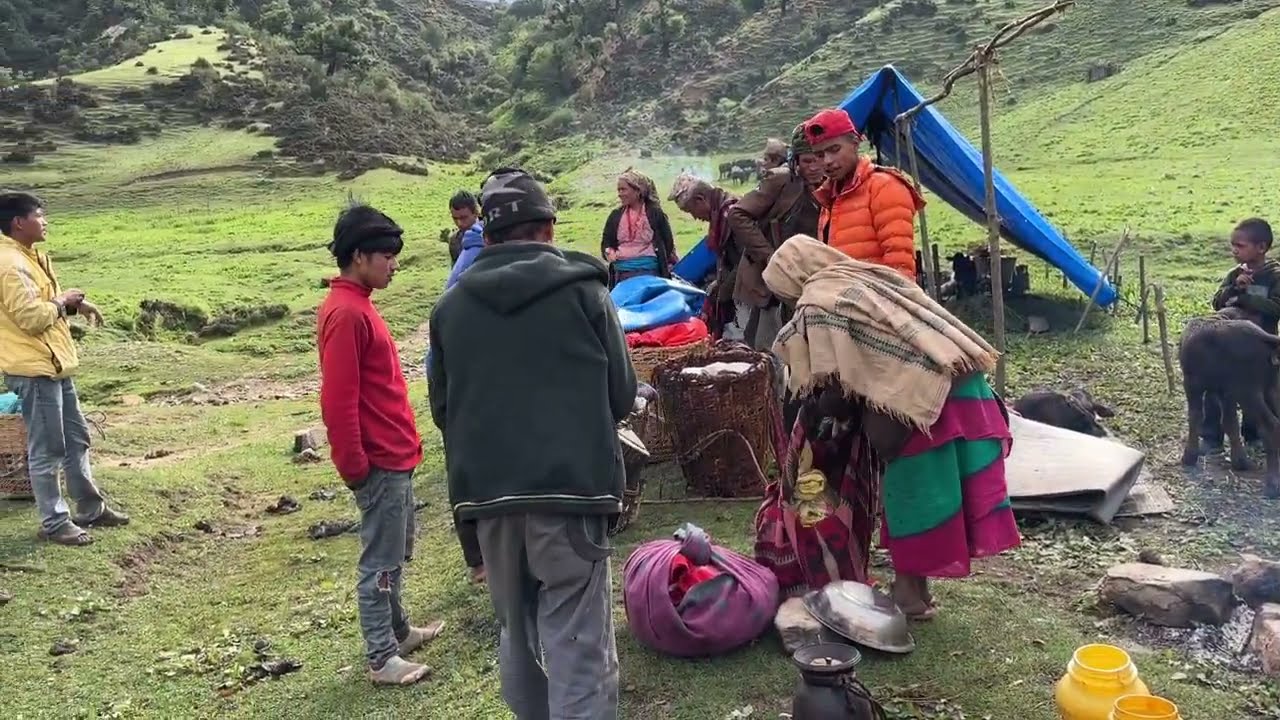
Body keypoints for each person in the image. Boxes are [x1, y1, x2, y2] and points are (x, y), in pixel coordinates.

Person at [429, 168, 635, 720]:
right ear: (548, 228)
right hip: (570, 494)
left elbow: (444, 413)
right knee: (578, 641)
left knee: (516, 635)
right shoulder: (586, 292)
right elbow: (621, 395)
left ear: (488, 236)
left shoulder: (449, 309)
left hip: (488, 500)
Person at [756, 234, 1020, 618]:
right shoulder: (864, 275)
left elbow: (839, 384)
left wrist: (815, 410)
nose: (787, 302)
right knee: (933, 496)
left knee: (909, 499)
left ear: (792, 278)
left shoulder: (818, 301)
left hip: (921, 399)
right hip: (962, 387)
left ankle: (909, 598)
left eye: (783, 293)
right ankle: (916, 592)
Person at [318, 204, 444, 686]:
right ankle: (381, 656)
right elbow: (338, 399)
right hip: (378, 462)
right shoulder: (347, 313)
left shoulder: (359, 304)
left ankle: (399, 631)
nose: (394, 265)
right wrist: (354, 465)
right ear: (359, 256)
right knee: (381, 563)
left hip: (395, 454)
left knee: (393, 555)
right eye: (387, 256)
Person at [0, 192, 125, 547]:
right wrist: (62, 300)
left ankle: (90, 508)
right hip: (34, 368)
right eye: (39, 215)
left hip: (53, 363)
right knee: (48, 449)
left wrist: (75, 306)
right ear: (18, 223)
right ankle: (54, 523)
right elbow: (30, 318)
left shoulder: (29, 256)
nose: (45, 221)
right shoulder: (9, 264)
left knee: (76, 438)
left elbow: (39, 306)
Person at [723, 125, 823, 351]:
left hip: (813, 275)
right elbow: (738, 214)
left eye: (819, 158)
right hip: (773, 279)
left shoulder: (832, 183)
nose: (815, 166)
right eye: (807, 161)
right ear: (795, 161)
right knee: (770, 346)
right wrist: (768, 255)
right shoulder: (780, 181)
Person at [801, 107, 924, 280]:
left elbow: (900, 267)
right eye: (819, 155)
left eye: (834, 149)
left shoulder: (884, 186)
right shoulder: (830, 196)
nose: (827, 161)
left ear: (855, 143)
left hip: (877, 295)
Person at [1203, 218, 1280, 449]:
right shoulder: (1234, 274)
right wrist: (1233, 288)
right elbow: (1217, 303)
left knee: (1257, 393)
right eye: (1233, 245)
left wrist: (1246, 298)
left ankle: (1254, 435)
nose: (1234, 250)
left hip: (1262, 346)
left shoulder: (1274, 276)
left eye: (1240, 245)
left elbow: (1276, 308)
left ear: (1261, 247)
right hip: (1229, 344)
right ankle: (1211, 438)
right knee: (1215, 387)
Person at [669, 173, 740, 340]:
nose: (695, 217)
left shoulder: (730, 215)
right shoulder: (719, 218)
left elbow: (745, 260)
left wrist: (723, 290)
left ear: (700, 199)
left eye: (691, 211)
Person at [601, 168, 678, 287]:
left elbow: (668, 243)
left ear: (638, 191)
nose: (619, 194)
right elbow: (606, 242)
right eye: (618, 190)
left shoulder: (654, 213)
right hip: (621, 273)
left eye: (623, 189)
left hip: (650, 271)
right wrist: (608, 251)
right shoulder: (615, 215)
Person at [444, 190, 482, 267]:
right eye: (455, 218)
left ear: (476, 213)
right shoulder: (455, 241)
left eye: (463, 218)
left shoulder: (490, 234)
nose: (459, 223)